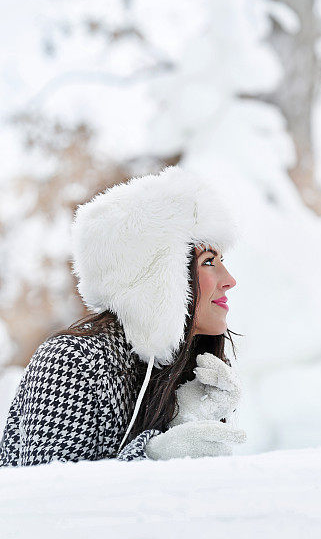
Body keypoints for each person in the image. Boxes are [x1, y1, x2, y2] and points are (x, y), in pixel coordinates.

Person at [0, 164, 246, 466]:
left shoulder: (190, 369)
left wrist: (186, 419)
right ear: (156, 277)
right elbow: (50, 501)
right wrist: (154, 456)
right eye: (209, 261)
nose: (229, 279)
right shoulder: (72, 362)